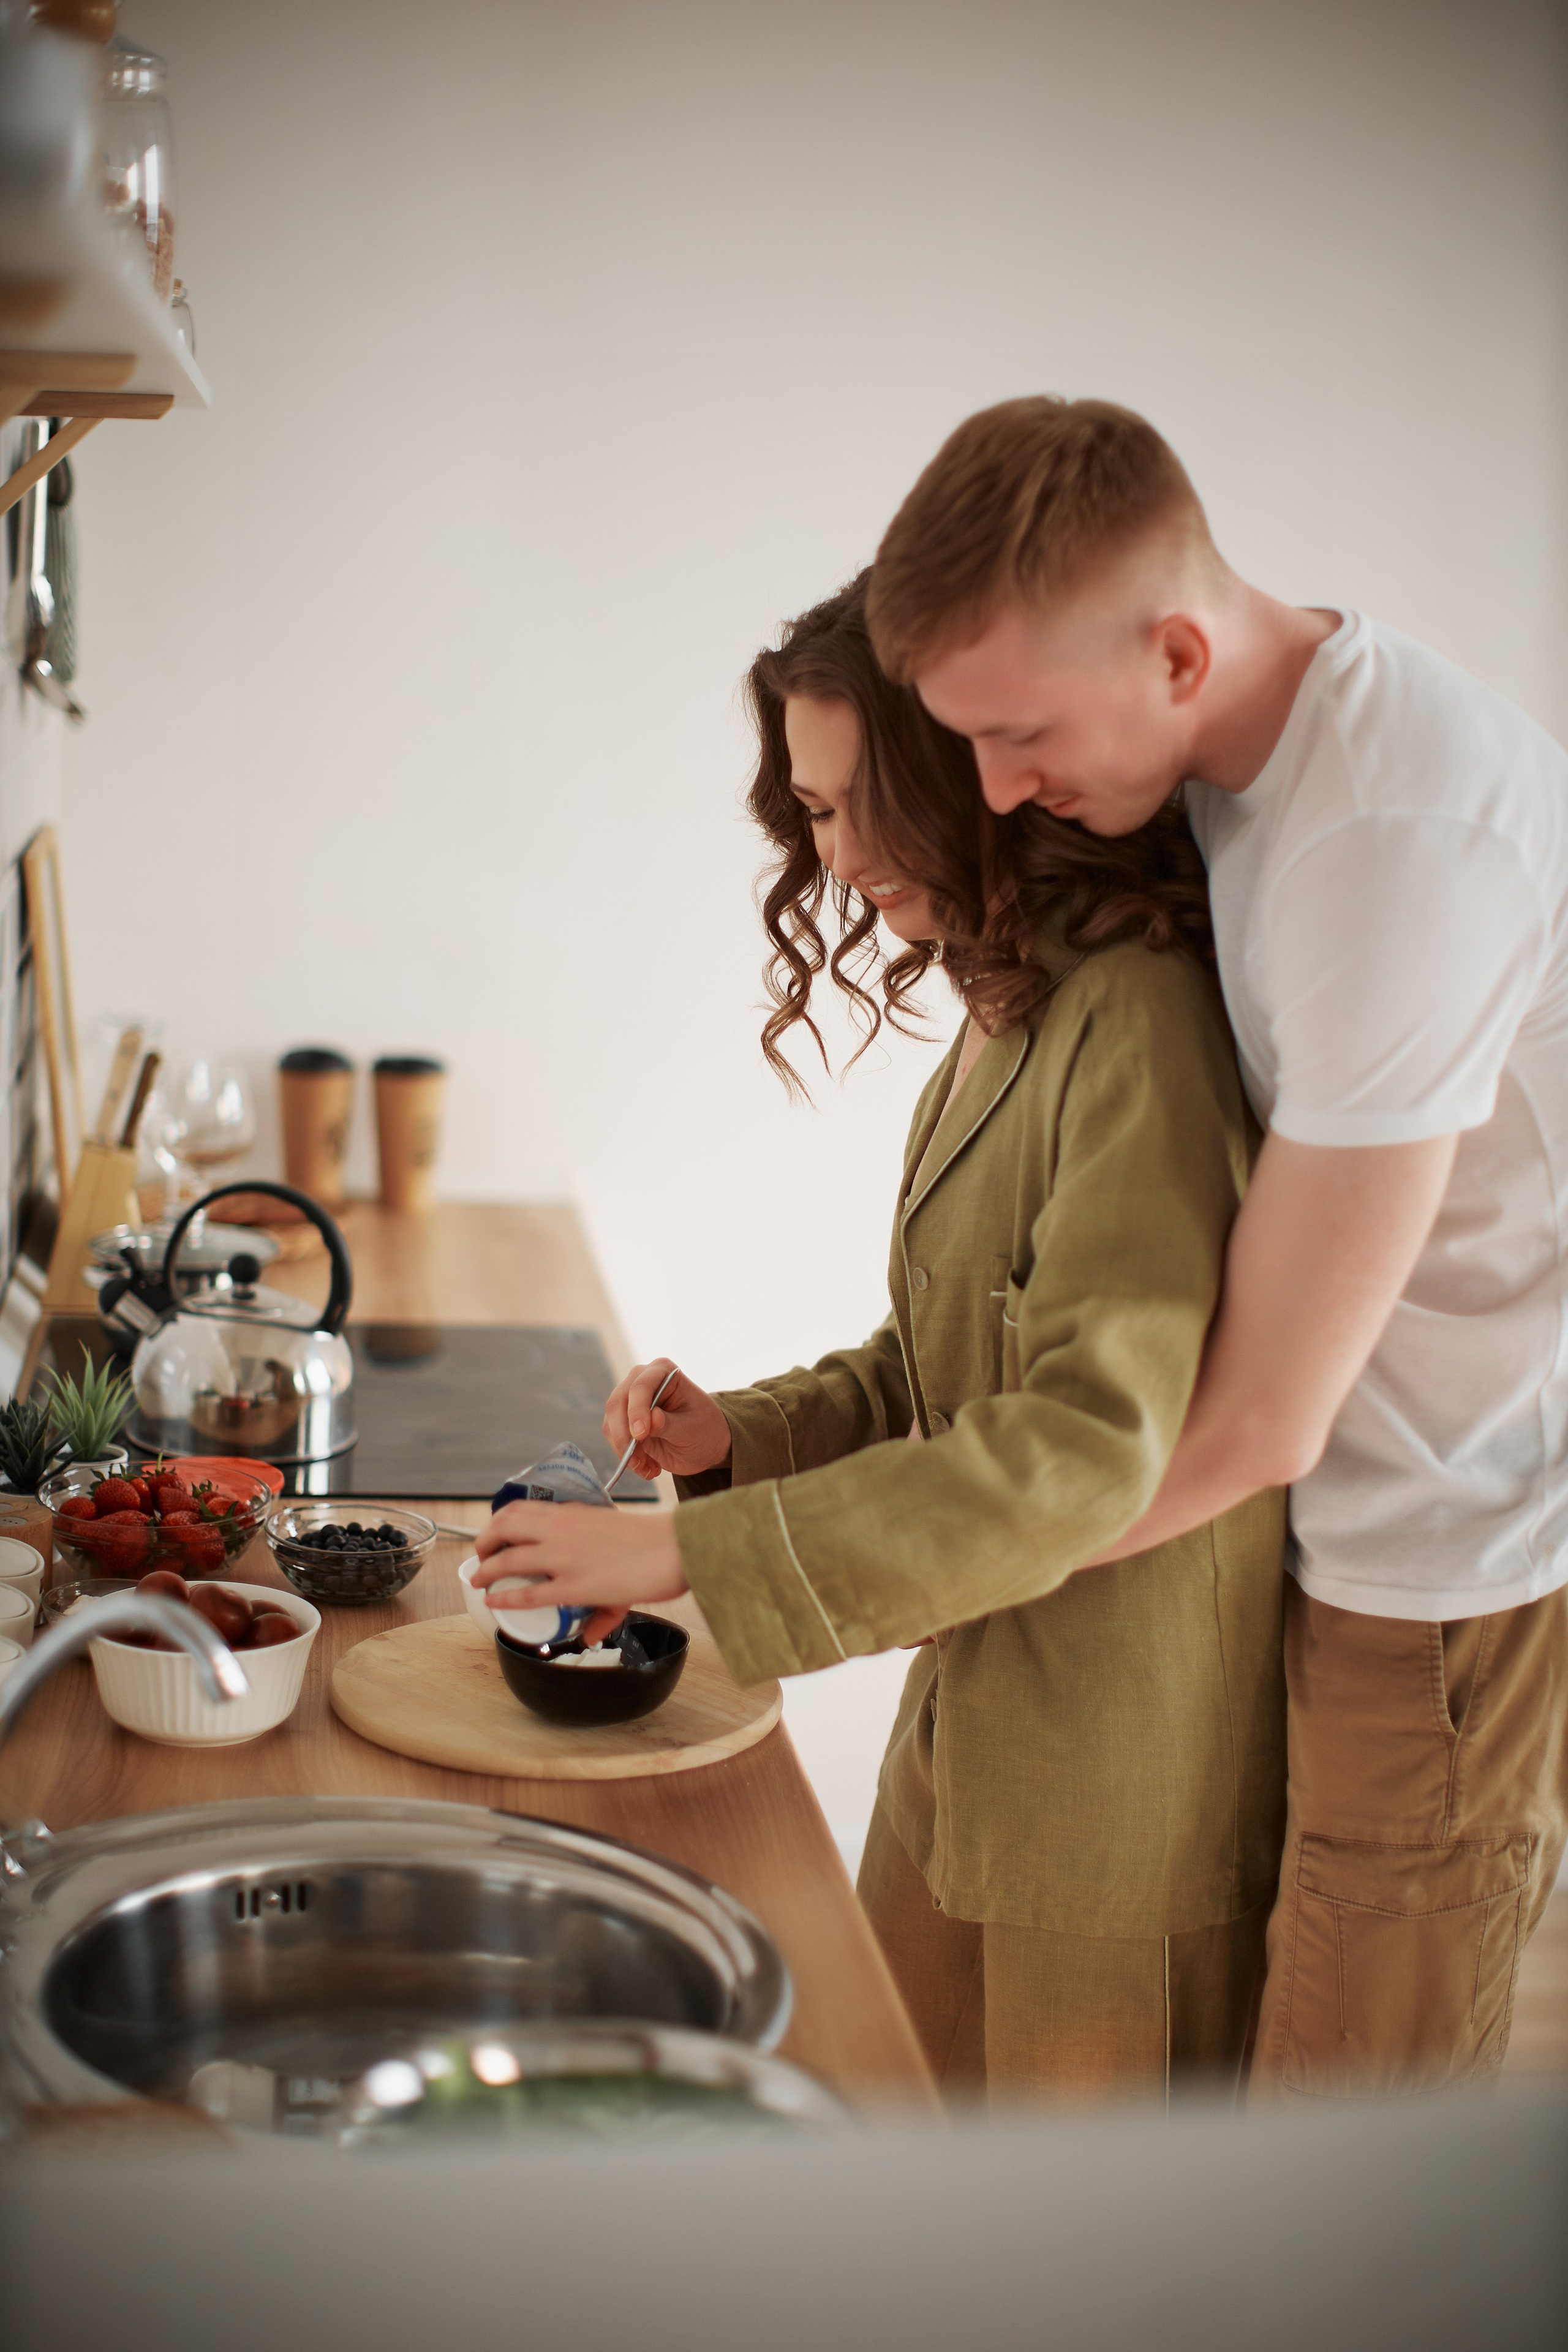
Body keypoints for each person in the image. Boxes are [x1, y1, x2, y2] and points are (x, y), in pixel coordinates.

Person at [473, 573, 1286, 2106]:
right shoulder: (1010, 1001)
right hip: (969, 1740)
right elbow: (940, 1361)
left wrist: (677, 1563)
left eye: (850, 807)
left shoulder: (1141, 1026)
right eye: (809, 814)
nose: (831, 858)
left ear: (964, 769)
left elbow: (1074, 1447)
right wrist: (738, 1440)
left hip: (1115, 1790)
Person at [859, 394, 1568, 2098]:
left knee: (1348, 2150)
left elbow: (1261, 1422)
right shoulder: (1235, 756)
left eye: (1019, 734)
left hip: (1442, 1571)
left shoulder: (1393, 847)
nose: (997, 788)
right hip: (1315, 1539)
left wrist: (908, 1564)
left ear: (1178, 649)